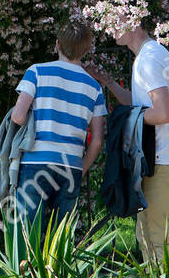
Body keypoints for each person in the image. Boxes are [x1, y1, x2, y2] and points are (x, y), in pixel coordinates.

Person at [88, 23, 169, 278]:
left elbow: (162, 113)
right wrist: (109, 83)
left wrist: (126, 118)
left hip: (162, 161)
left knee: (160, 239)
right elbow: (140, 103)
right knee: (147, 236)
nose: (110, 28)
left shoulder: (148, 59)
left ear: (132, 22)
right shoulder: (151, 55)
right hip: (161, 158)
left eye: (115, 20)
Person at [8, 21, 107, 229]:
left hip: (36, 162)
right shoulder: (95, 88)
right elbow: (97, 141)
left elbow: (17, 117)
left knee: (28, 233)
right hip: (70, 165)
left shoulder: (37, 72)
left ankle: (27, 264)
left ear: (57, 45)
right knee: (61, 238)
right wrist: (80, 167)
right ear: (86, 50)